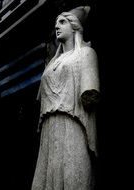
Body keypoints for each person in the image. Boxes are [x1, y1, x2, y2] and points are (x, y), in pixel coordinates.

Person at [31, 6, 100, 190]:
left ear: (75, 26)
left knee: (73, 176)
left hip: (72, 125)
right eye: (55, 24)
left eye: (62, 22)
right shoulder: (52, 63)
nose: (57, 26)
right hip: (49, 129)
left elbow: (90, 94)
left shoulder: (85, 54)